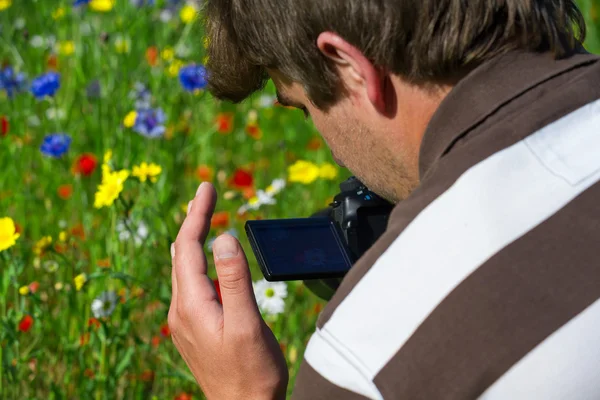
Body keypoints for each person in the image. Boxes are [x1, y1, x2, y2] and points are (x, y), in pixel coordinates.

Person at [168, 0, 600, 398]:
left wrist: (242, 392)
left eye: (304, 108)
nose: (334, 154)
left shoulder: (367, 357)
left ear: (350, 66)